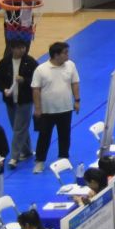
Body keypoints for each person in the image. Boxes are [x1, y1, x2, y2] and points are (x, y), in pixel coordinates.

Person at [29, 38, 79, 171]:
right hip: (47, 111)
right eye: (65, 53)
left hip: (66, 108)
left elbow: (75, 83)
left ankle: (64, 158)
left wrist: (77, 100)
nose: (68, 55)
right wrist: (38, 108)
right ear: (56, 55)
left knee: (65, 135)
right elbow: (36, 89)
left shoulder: (70, 65)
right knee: (44, 136)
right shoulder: (41, 69)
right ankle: (40, 161)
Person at [0, 38, 34, 169]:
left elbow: (37, 78)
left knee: (19, 128)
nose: (22, 50)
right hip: (10, 101)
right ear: (12, 49)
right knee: (18, 126)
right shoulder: (5, 62)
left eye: (23, 47)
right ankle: (27, 151)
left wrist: (24, 80)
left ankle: (14, 157)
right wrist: (3, 89)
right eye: (19, 48)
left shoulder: (30, 62)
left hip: (25, 100)